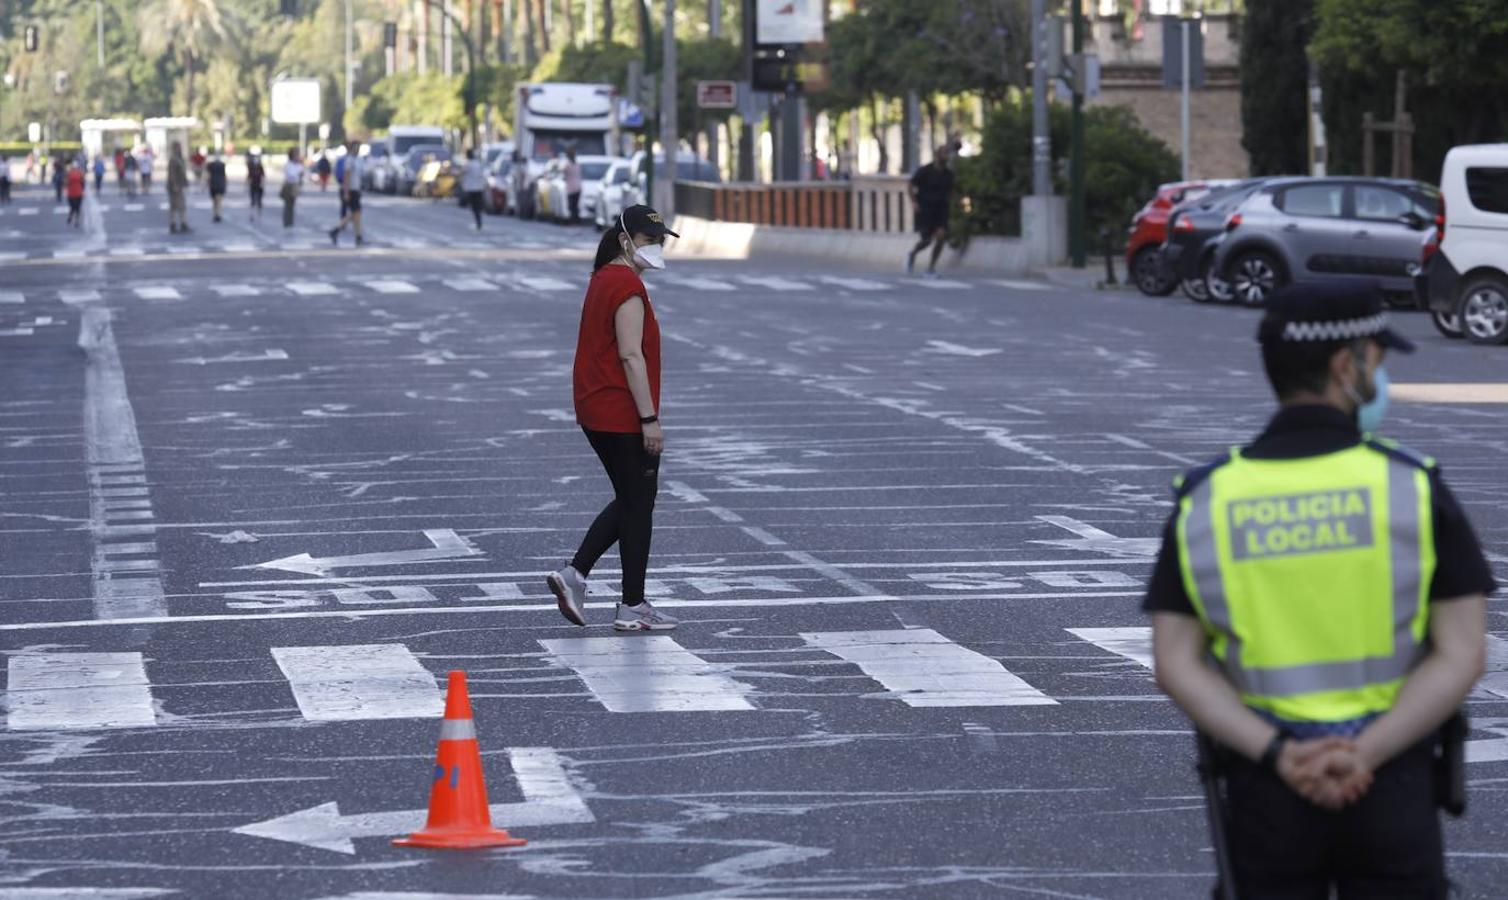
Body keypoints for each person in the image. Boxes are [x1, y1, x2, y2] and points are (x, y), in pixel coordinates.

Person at [1145, 280, 1493, 899]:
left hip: (1267, 789)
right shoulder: (1411, 487)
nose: (1379, 375)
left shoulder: (1207, 499)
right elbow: (1463, 651)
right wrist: (1365, 754)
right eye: (1377, 358)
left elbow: (1175, 661)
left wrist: (1281, 754)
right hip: (1391, 783)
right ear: (1345, 363)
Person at [547, 205, 680, 633]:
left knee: (632, 500)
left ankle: (579, 577)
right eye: (649, 240)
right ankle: (630, 605)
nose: (657, 248)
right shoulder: (626, 285)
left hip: (597, 407)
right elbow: (629, 354)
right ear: (626, 240)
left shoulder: (606, 277)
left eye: (661, 240)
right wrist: (649, 419)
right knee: (638, 504)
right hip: (620, 411)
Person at [905, 144, 955, 278]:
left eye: (947, 154)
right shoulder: (925, 171)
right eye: (943, 153)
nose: (946, 156)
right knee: (926, 241)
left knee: (941, 236)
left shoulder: (948, 174)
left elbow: (952, 192)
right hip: (925, 210)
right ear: (937, 155)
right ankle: (913, 253)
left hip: (941, 211)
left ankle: (931, 268)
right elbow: (910, 185)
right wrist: (914, 202)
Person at [328, 140, 364, 247]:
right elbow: (346, 178)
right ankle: (337, 230)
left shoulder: (359, 160)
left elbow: (358, 177)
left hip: (356, 190)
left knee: (356, 215)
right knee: (355, 214)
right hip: (350, 190)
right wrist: (346, 192)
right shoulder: (349, 160)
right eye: (356, 147)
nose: (357, 150)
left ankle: (357, 236)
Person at [460, 148, 486, 230]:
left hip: (471, 188)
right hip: (479, 187)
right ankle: (479, 222)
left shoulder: (468, 164)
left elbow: (462, 172)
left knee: (474, 207)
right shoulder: (478, 163)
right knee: (477, 206)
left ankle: (478, 223)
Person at [166, 143, 190, 233]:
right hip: (175, 186)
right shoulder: (173, 160)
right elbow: (171, 174)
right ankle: (174, 224)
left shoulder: (179, 159)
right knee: (175, 206)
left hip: (179, 185)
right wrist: (174, 184)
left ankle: (181, 223)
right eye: (178, 147)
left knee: (181, 206)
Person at [281, 148, 304, 228]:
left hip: (295, 186)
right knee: (288, 204)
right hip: (289, 186)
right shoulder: (289, 165)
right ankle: (286, 222)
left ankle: (290, 222)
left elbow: (301, 174)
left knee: (292, 204)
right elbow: (290, 175)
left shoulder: (299, 165)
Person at [206, 152, 227, 223]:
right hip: (219, 184)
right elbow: (224, 176)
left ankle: (216, 214)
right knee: (218, 200)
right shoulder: (221, 165)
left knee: (215, 201)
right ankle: (218, 214)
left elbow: (208, 175)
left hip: (214, 184)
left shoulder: (211, 165)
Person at [563, 148, 583, 225]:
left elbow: (563, 172)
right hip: (578, 187)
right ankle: (577, 220)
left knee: (571, 205)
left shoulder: (568, 165)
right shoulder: (577, 164)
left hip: (571, 188)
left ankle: (573, 220)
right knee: (575, 205)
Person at [64, 160, 85, 227]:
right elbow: (83, 183)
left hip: (71, 193)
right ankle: (76, 220)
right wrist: (82, 190)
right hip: (78, 192)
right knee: (78, 208)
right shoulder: (80, 173)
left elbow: (66, 183)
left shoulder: (69, 174)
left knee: (72, 207)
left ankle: (70, 217)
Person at [247, 151, 266, 221]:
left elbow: (263, 176)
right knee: (253, 200)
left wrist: (262, 184)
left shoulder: (260, 167)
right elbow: (249, 177)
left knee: (259, 200)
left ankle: (259, 214)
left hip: (259, 185)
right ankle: (252, 214)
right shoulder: (251, 167)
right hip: (253, 185)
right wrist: (248, 184)